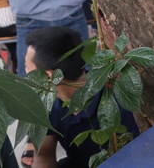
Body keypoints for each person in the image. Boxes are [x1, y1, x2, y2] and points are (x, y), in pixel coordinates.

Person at [24, 27, 139, 168]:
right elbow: (43, 154)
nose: (26, 74)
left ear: (48, 76)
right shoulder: (45, 104)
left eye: (27, 68)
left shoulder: (116, 101)